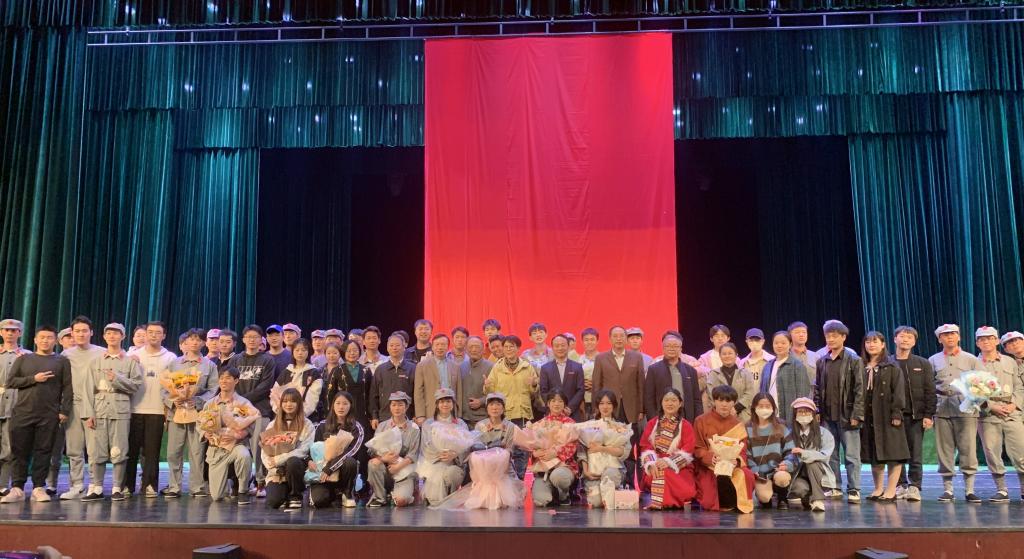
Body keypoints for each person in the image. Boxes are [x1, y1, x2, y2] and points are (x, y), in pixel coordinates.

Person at [0, 326, 72, 504]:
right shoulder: (24, 359)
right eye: (42, 337)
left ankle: (39, 487)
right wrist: (34, 379)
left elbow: (67, 387)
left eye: (49, 337)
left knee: (44, 451)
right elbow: (11, 382)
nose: (45, 340)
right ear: (35, 340)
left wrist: (64, 410)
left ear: (55, 341)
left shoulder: (61, 361)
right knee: (19, 451)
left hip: (48, 414)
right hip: (22, 412)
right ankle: (17, 488)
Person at [79, 323, 143, 502]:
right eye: (108, 333)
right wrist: (88, 414)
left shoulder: (130, 362)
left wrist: (117, 379)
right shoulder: (95, 362)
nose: (112, 336)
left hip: (120, 410)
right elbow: (87, 389)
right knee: (96, 451)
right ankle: (97, 487)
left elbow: (136, 385)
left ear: (123, 336)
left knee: (119, 450)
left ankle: (117, 488)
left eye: (116, 333)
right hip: (99, 410)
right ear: (104, 336)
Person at [436, 392, 523, 510]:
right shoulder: (480, 425)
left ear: (503, 408)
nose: (495, 408)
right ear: (487, 408)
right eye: (491, 404)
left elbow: (509, 449)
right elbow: (476, 446)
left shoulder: (511, 427)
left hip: (503, 467)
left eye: (498, 404)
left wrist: (499, 455)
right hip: (484, 467)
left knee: (512, 498)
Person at [161, 328, 219, 499]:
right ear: (185, 342)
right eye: (191, 339)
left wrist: (199, 401)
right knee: (173, 452)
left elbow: (213, 390)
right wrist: (173, 401)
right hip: (176, 414)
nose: (194, 342)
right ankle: (174, 486)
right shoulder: (174, 363)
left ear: (203, 343)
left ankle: (197, 486)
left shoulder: (209, 365)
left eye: (198, 339)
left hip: (198, 415)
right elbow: (163, 389)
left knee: (197, 452)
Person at [813, 319, 865, 503]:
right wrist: (817, 410)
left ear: (843, 337)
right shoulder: (822, 361)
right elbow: (817, 388)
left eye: (834, 336)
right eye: (828, 336)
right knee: (831, 454)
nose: (830, 339)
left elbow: (860, 389)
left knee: (851, 455)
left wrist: (857, 414)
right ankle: (834, 486)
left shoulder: (854, 360)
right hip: (828, 416)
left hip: (848, 415)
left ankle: (854, 488)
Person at [123, 321, 176, 499]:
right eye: (150, 332)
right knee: (131, 450)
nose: (153, 335)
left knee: (152, 451)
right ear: (145, 335)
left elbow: (173, 386)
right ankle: (127, 485)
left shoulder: (170, 358)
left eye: (158, 332)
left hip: (157, 410)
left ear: (164, 336)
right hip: (134, 409)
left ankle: (150, 485)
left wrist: (167, 410)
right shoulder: (133, 355)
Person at [929, 323, 981, 503]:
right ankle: (948, 489)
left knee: (968, 448)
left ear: (959, 337)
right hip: (941, 408)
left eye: (953, 334)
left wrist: (975, 400)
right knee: (944, 449)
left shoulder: (971, 359)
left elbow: (981, 384)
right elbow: (928, 385)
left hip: (966, 408)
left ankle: (970, 490)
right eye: (945, 335)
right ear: (939, 339)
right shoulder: (933, 360)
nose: (949, 337)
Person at [974, 326, 1024, 503]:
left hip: (1011, 411)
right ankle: (1001, 489)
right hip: (988, 414)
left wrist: (1014, 404)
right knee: (992, 452)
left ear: (996, 341)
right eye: (982, 339)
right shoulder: (974, 363)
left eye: (990, 338)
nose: (986, 341)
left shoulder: (1010, 362)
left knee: (1020, 451)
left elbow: (1019, 386)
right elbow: (973, 391)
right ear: (977, 343)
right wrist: (991, 406)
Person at [59, 316, 106, 500]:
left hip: (94, 405)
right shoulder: (66, 355)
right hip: (73, 405)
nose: (81, 334)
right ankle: (77, 485)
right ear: (72, 333)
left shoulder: (101, 352)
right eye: (77, 331)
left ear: (91, 333)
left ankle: (95, 485)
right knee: (74, 448)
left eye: (84, 331)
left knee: (94, 449)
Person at [228, 324, 278, 498]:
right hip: (237, 412)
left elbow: (266, 386)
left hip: (260, 411)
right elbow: (230, 382)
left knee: (259, 448)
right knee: (238, 447)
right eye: (248, 337)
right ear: (243, 339)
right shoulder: (235, 360)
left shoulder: (267, 360)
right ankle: (239, 483)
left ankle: (260, 482)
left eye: (255, 337)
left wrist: (244, 401)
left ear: (261, 340)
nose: (252, 340)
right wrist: (239, 404)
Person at [859, 331, 909, 502]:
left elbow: (899, 392)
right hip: (869, 416)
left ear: (883, 345)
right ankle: (878, 488)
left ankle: (891, 490)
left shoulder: (892, 366)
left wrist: (897, 413)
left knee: (893, 453)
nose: (871, 345)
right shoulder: (860, 366)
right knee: (875, 454)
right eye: (868, 342)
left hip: (888, 415)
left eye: (875, 341)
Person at [693, 385, 755, 513]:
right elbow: (697, 448)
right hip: (708, 467)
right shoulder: (700, 421)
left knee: (746, 475)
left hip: (732, 466)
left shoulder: (738, 424)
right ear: (714, 400)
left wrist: (737, 461)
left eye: (728, 401)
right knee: (708, 498)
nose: (724, 404)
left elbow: (743, 451)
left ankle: (735, 503)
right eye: (720, 400)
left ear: (734, 402)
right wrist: (710, 458)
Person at [483, 335, 539, 478]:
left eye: (512, 346)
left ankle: (519, 482)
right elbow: (491, 393)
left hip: (522, 414)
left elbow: (533, 393)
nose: (508, 349)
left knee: (522, 453)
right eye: (506, 346)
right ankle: (506, 483)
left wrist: (534, 385)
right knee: (504, 451)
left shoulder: (527, 367)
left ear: (518, 348)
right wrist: (487, 386)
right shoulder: (497, 367)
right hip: (504, 416)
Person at [892, 325, 936, 502]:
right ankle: (899, 485)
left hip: (916, 416)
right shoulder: (887, 362)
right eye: (902, 336)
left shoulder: (922, 363)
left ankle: (915, 486)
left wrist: (928, 414)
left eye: (909, 337)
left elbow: (930, 391)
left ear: (914, 342)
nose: (905, 340)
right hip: (893, 417)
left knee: (915, 453)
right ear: (895, 339)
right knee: (895, 453)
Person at [202, 368, 259, 505]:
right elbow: (201, 424)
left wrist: (238, 434)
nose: (224, 381)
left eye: (228, 378)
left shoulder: (244, 403)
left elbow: (251, 425)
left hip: (235, 446)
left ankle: (243, 490)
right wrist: (205, 433)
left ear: (236, 381)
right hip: (217, 450)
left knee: (244, 455)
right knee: (217, 496)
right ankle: (229, 481)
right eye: (221, 378)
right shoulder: (210, 403)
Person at [639, 388, 697, 510]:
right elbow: (645, 446)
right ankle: (665, 503)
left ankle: (664, 503)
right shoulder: (652, 423)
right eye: (666, 400)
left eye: (674, 400)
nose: (670, 403)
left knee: (666, 473)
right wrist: (651, 463)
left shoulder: (686, 425)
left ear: (680, 403)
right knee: (658, 472)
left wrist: (669, 462)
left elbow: (688, 450)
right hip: (655, 464)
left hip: (679, 466)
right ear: (661, 403)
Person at [308, 391, 365, 508]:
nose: (341, 407)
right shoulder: (322, 425)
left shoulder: (356, 428)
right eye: (338, 403)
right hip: (323, 471)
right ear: (333, 405)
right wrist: (309, 460)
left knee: (350, 462)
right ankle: (331, 494)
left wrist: (330, 468)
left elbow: (351, 452)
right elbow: (312, 449)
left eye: (345, 404)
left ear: (351, 406)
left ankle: (347, 493)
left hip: (340, 470)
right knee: (319, 501)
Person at [262, 388, 314, 510]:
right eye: (285, 401)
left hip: (296, 468)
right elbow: (265, 450)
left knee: (293, 461)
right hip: (277, 471)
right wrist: (270, 465)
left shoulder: (307, 425)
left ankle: (295, 496)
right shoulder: (273, 424)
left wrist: (279, 459)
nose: (289, 404)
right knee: (274, 502)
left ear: (299, 403)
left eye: (293, 401)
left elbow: (304, 450)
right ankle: (284, 493)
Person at [366, 392, 421, 507]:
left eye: (400, 405)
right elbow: (372, 450)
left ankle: (407, 492)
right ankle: (380, 497)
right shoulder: (382, 426)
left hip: (405, 472)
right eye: (394, 405)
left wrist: (398, 467)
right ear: (390, 407)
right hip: (386, 470)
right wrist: (383, 458)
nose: (397, 408)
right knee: (373, 463)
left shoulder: (414, 428)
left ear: (406, 407)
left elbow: (413, 454)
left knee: (401, 500)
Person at [418, 388, 470, 505]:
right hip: (434, 463)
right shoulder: (428, 424)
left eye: (448, 401)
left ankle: (451, 497)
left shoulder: (461, 424)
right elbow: (425, 447)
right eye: (442, 402)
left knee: (451, 474)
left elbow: (466, 448)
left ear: (453, 404)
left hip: (455, 465)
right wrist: (440, 455)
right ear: (437, 405)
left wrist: (455, 455)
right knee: (435, 495)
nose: (445, 404)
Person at [579, 390, 629, 508]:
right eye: (601, 403)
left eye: (609, 403)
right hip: (593, 472)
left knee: (609, 476)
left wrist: (601, 448)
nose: (605, 407)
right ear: (597, 406)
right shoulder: (589, 425)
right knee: (596, 502)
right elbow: (582, 451)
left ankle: (614, 491)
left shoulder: (621, 427)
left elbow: (624, 452)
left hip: (613, 470)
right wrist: (586, 471)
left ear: (614, 406)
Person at [785, 397, 836, 512]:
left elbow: (824, 455)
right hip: (799, 474)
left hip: (819, 474)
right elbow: (787, 455)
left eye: (807, 411)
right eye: (800, 411)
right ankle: (808, 497)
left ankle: (818, 500)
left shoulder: (824, 433)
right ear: (795, 414)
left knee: (812, 463)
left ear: (813, 414)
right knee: (798, 488)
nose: (804, 414)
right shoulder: (789, 434)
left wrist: (804, 453)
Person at [531, 391, 578, 507]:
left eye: (560, 401)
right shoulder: (539, 424)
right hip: (544, 469)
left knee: (558, 476)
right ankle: (552, 492)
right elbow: (531, 445)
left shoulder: (571, 423)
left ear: (565, 404)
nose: (556, 404)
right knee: (540, 501)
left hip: (564, 466)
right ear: (548, 403)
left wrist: (555, 453)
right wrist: (535, 453)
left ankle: (564, 494)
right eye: (553, 401)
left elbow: (572, 445)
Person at [746, 393, 794, 509]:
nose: (764, 409)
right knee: (764, 498)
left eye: (767, 406)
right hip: (760, 474)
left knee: (782, 478)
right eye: (761, 406)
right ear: (754, 407)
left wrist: (786, 464)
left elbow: (790, 450)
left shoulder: (781, 426)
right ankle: (766, 495)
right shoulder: (747, 428)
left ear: (773, 408)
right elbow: (747, 454)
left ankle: (782, 498)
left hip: (778, 470)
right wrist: (754, 470)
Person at [0, 319, 31, 497]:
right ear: (1, 332)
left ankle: (3, 484)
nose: (10, 333)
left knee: (9, 448)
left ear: (20, 333)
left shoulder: (27, 356)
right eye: (7, 330)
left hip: (15, 406)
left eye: (14, 330)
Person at [645, 331, 702, 424]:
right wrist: (654, 420)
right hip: (662, 417)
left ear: (680, 349)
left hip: (686, 416)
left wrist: (698, 420)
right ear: (663, 348)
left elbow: (697, 399)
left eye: (675, 346)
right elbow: (649, 399)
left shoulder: (690, 370)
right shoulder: (653, 369)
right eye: (668, 346)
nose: (672, 348)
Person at [760, 331, 812, 424]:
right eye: (776, 343)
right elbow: (762, 391)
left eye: (783, 343)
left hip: (789, 416)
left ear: (790, 344)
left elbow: (803, 394)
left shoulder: (797, 365)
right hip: (769, 414)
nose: (779, 346)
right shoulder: (767, 366)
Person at [369, 334, 416, 428]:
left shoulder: (412, 368)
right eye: (391, 345)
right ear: (387, 348)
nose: (394, 348)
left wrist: (416, 414)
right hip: (384, 418)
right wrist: (374, 416)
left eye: (398, 345)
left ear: (404, 347)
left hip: (407, 418)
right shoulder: (380, 369)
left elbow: (416, 394)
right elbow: (374, 395)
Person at [413, 334, 460, 424]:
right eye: (437, 344)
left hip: (451, 412)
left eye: (443, 344)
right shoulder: (422, 365)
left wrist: (458, 413)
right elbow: (418, 392)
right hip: (430, 411)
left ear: (448, 347)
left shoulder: (455, 366)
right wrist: (420, 415)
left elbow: (459, 392)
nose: (440, 347)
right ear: (432, 347)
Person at [706, 342, 757, 422]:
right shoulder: (713, 374)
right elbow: (711, 394)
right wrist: (725, 409)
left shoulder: (746, 373)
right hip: (720, 416)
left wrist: (736, 408)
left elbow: (750, 393)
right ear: (720, 356)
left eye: (730, 353)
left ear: (736, 355)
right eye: (724, 354)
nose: (727, 356)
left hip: (743, 417)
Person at [274, 338, 323, 420]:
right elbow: (275, 393)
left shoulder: (314, 373)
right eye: (297, 350)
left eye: (303, 350)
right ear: (292, 352)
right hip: (283, 416)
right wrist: (281, 412)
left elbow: (312, 398)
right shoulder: (287, 371)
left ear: (308, 352)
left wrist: (299, 415)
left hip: (305, 418)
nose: (300, 353)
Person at [539, 334, 585, 420]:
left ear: (568, 346)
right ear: (552, 348)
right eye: (557, 346)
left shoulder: (577, 367)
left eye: (563, 345)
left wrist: (570, 408)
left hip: (573, 413)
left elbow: (580, 390)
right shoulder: (545, 368)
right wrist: (555, 407)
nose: (560, 348)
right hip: (553, 414)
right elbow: (543, 391)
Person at [459, 336, 492, 426]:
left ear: (483, 349)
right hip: (463, 418)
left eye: (477, 347)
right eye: (471, 347)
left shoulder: (491, 367)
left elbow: (497, 392)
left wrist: (481, 401)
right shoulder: (462, 366)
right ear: (466, 350)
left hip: (483, 418)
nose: (474, 350)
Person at [578, 328, 600, 418]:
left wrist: (595, 385)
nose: (589, 342)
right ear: (582, 341)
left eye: (592, 339)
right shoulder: (578, 359)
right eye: (586, 340)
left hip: (599, 400)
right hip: (582, 401)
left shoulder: (603, 359)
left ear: (597, 341)